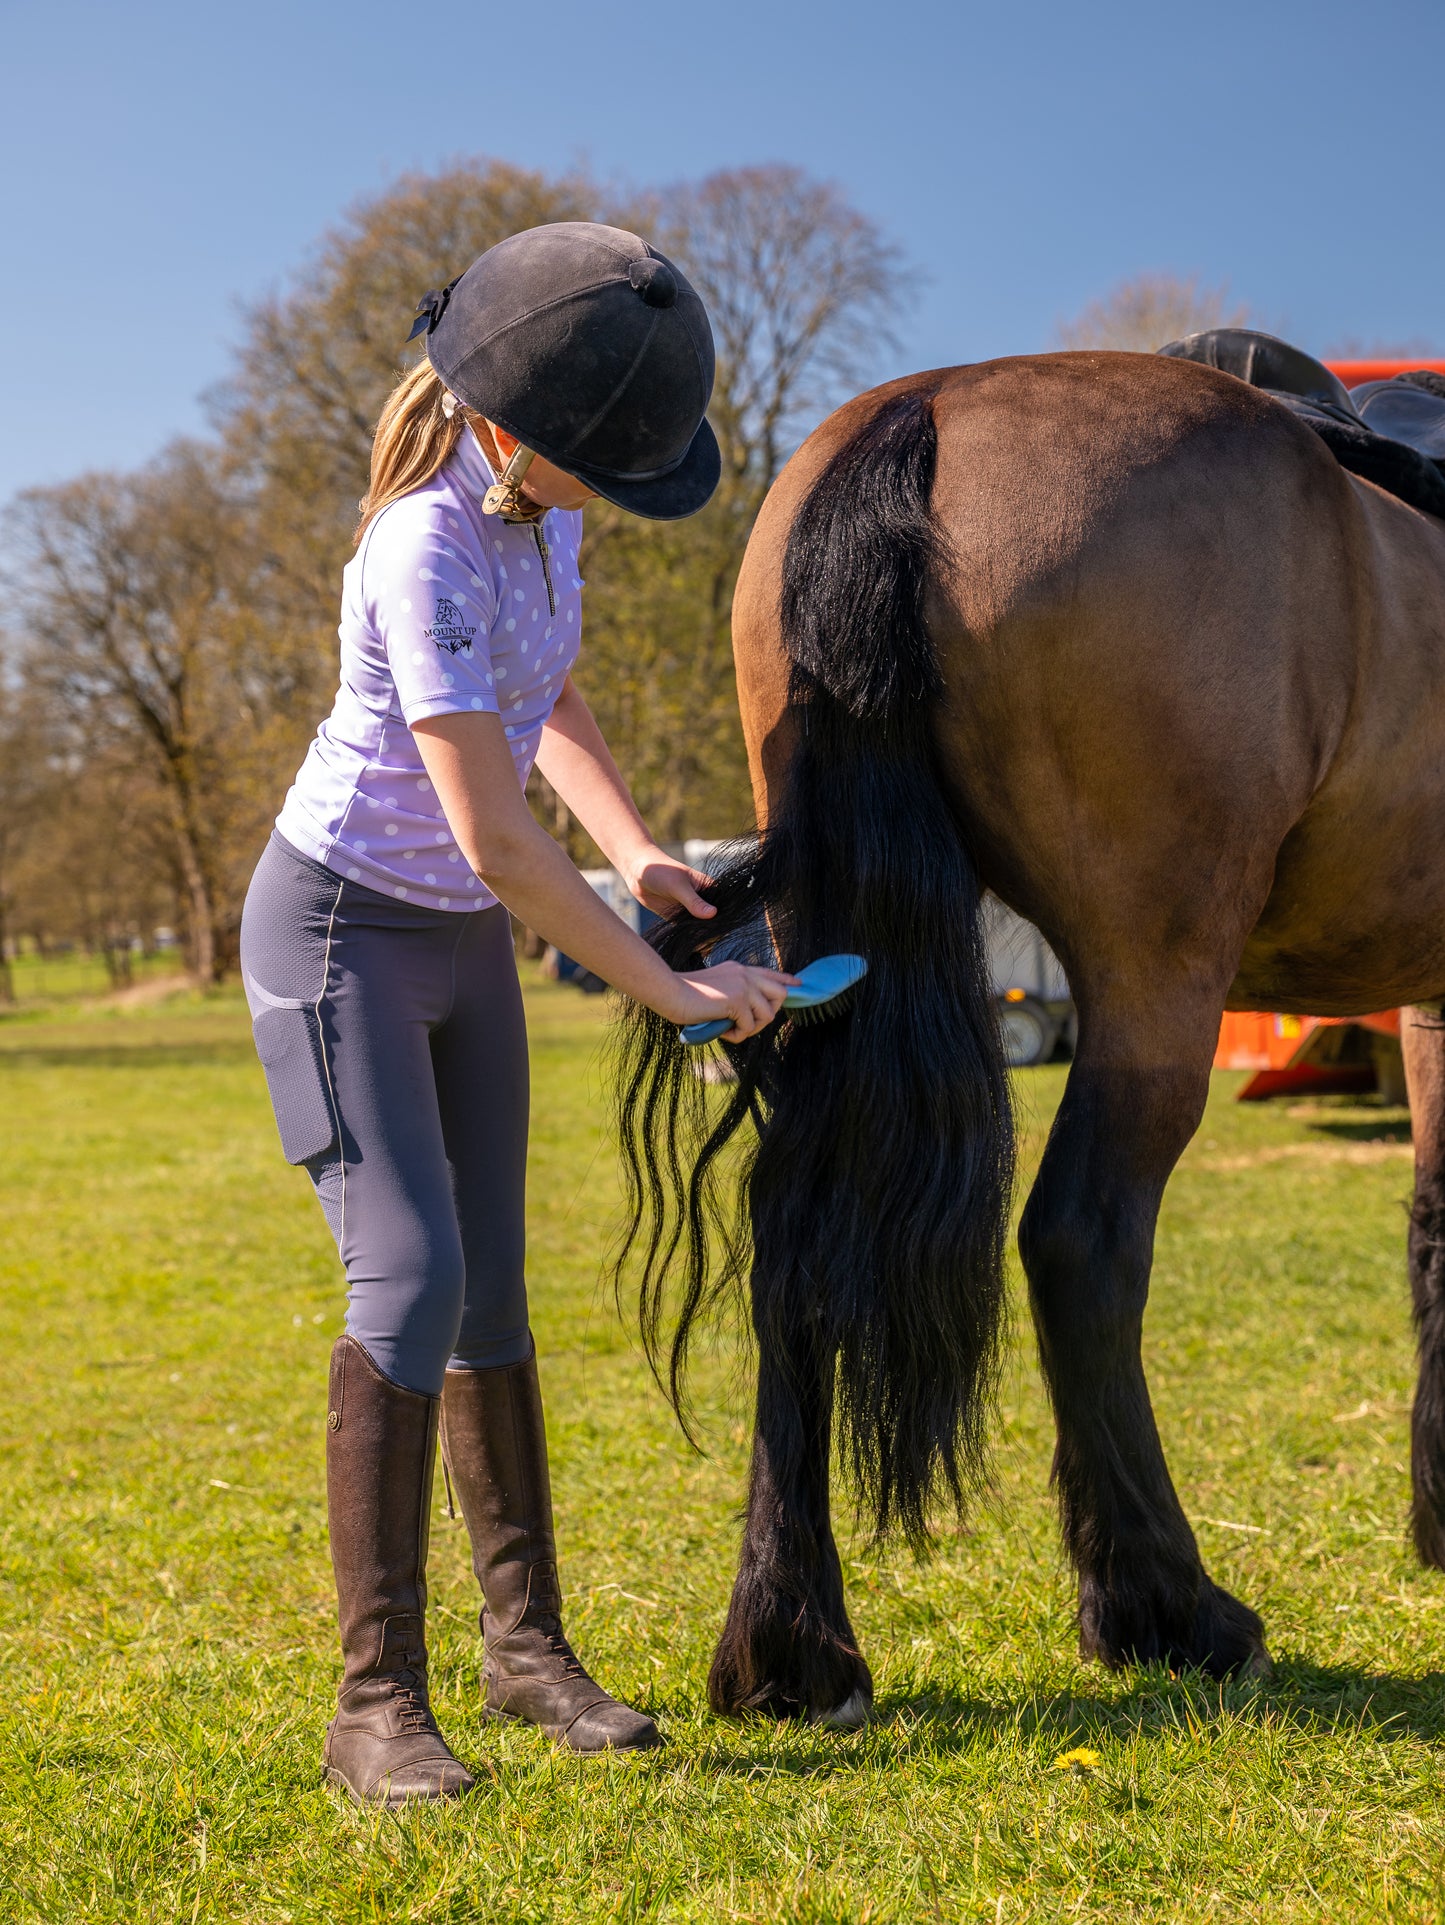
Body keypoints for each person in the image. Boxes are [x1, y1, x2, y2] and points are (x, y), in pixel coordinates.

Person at [238, 222, 796, 1807]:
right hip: (344, 929)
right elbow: (487, 833)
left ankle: (526, 1650)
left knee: (491, 1293)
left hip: (465, 940)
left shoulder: (543, 525)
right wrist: (675, 989)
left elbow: (545, 701)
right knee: (405, 1278)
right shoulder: (418, 545)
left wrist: (638, 854)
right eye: (605, 465)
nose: (622, 492)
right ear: (514, 429)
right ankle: (374, 1705)